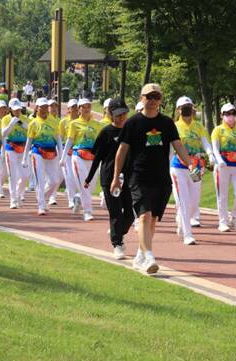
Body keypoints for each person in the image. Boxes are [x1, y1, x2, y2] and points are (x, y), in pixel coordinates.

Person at [111, 83, 195, 275]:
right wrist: (116, 177)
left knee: (153, 219)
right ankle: (149, 256)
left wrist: (189, 163)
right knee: (144, 216)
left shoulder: (167, 123)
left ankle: (141, 253)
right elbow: (121, 152)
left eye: (156, 97)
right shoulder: (132, 123)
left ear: (161, 100)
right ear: (142, 98)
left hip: (161, 178)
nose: (153, 100)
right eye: (149, 97)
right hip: (138, 177)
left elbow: (178, 145)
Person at [84, 98, 131, 258]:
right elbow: (97, 158)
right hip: (110, 178)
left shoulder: (130, 131)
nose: (121, 117)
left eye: (124, 114)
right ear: (110, 115)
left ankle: (117, 231)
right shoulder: (106, 133)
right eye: (118, 115)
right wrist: (89, 178)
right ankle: (117, 244)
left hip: (128, 178)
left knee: (130, 214)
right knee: (116, 213)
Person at [170, 96, 214, 245]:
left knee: (194, 202)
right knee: (183, 200)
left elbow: (206, 143)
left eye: (189, 106)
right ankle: (188, 234)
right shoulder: (174, 126)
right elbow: (170, 149)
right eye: (183, 107)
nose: (187, 109)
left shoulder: (198, 127)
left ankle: (181, 218)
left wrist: (211, 156)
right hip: (178, 167)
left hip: (194, 168)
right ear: (178, 110)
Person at [64, 97, 104, 220]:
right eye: (84, 107)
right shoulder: (74, 124)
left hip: (92, 156)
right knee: (84, 183)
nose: (87, 109)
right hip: (78, 155)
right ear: (79, 109)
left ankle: (78, 198)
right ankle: (87, 211)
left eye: (88, 107)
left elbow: (100, 142)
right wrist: (63, 156)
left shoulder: (96, 124)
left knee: (91, 184)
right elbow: (70, 140)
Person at [22, 97, 63, 215]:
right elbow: (29, 142)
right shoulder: (33, 123)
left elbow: (58, 139)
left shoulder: (54, 122)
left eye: (46, 107)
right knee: (39, 180)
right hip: (37, 153)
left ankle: (42, 198)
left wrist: (61, 155)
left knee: (55, 181)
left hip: (51, 153)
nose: (44, 109)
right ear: (37, 108)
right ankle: (41, 205)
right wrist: (25, 158)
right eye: (42, 107)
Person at [210, 103, 236, 232]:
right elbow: (215, 147)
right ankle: (223, 221)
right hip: (223, 167)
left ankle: (235, 217)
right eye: (227, 113)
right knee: (222, 195)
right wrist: (219, 160)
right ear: (222, 115)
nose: (230, 116)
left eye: (233, 113)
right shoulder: (218, 130)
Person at [1, 98, 30, 208]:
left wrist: (26, 127)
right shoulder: (6, 119)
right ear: (10, 109)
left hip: (23, 149)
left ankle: (17, 194)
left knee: (25, 176)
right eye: (15, 110)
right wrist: (11, 124)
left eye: (19, 109)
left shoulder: (25, 118)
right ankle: (13, 200)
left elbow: (31, 133)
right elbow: (3, 134)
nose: (17, 111)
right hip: (11, 148)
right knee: (12, 175)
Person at [58, 98, 78, 208]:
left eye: (76, 106)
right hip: (68, 152)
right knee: (69, 177)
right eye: (72, 107)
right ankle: (71, 199)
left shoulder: (81, 120)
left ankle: (78, 197)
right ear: (68, 109)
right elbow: (60, 138)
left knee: (77, 177)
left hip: (79, 152)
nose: (75, 109)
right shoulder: (63, 122)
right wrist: (62, 154)